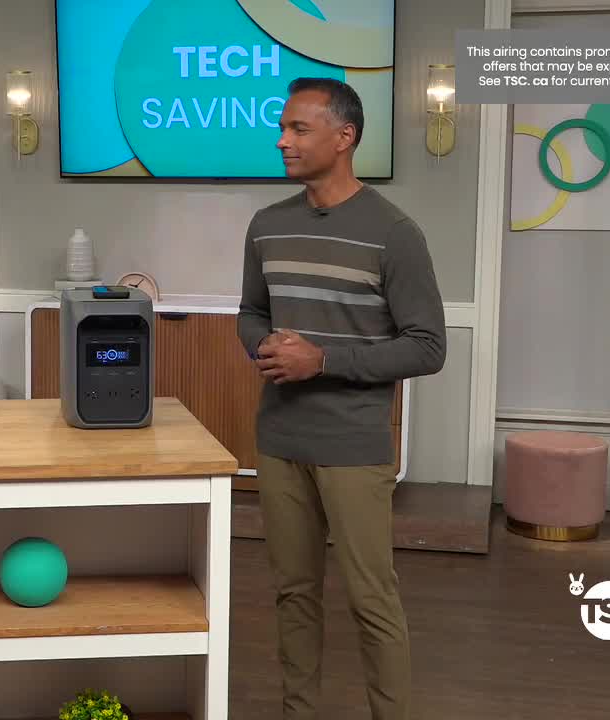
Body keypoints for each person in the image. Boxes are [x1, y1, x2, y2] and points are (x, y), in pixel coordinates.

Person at [236, 77, 446, 720]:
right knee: (293, 593)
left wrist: (322, 360)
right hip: (280, 442)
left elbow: (427, 348)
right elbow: (250, 312)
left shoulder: (394, 232)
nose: (283, 140)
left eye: (299, 129)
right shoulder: (267, 225)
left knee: (370, 598)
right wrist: (265, 345)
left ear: (344, 136)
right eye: (283, 127)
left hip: (353, 446)